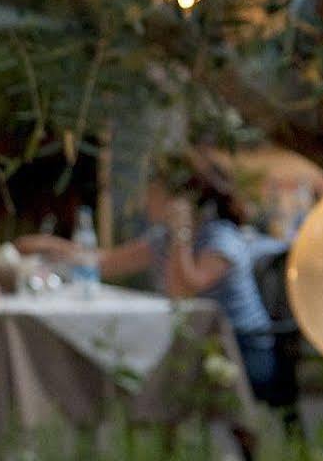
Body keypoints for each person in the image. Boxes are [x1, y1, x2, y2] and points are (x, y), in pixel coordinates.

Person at [19, 152, 277, 398]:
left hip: (241, 348)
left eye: (153, 191)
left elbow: (182, 293)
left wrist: (181, 234)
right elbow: (106, 262)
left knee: (140, 370)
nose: (146, 199)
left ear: (179, 200)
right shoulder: (162, 239)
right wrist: (47, 245)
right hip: (196, 344)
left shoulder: (221, 238)